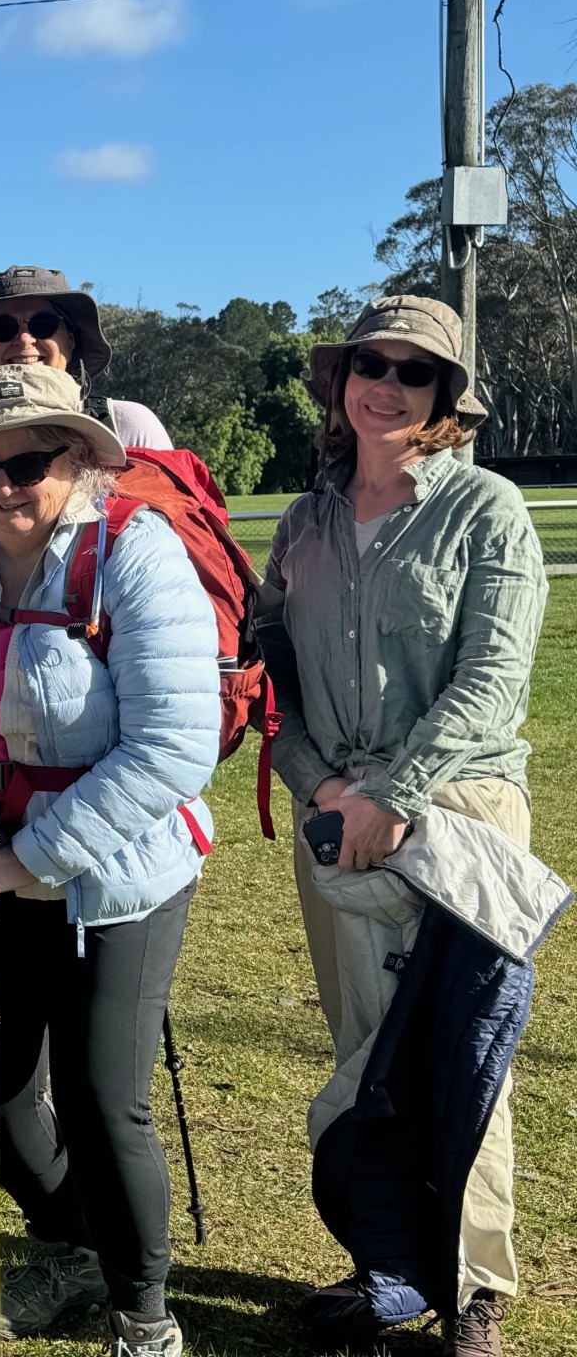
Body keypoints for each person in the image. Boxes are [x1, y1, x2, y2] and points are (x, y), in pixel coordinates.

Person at [0, 363, 221, 1357]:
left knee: (108, 1104)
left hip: (119, 876)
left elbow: (175, 744)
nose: (2, 486)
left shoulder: (134, 558)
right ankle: (64, 1247)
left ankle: (144, 1311)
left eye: (28, 461)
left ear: (81, 461)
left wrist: (31, 859)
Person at [259, 297, 547, 1356]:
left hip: (460, 812)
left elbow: (490, 684)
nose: (386, 383)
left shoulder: (486, 511)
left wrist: (393, 794)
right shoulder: (304, 520)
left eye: (413, 372)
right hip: (333, 817)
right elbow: (269, 673)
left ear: (443, 399)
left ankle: (474, 1289)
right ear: (341, 382)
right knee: (366, 1056)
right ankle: (389, 1265)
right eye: (369, 364)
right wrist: (317, 784)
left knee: (466, 1052)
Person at [0, 265, 171, 523]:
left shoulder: (128, 426)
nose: (23, 339)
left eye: (44, 325)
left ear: (70, 342)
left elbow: (172, 531)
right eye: (3, 328)